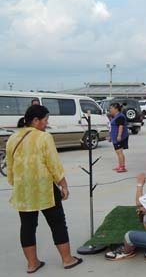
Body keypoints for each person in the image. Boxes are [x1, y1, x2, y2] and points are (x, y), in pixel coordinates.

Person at [6, 105, 82, 273]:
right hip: (44, 187)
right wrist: (63, 184)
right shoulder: (44, 137)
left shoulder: (13, 138)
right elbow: (53, 164)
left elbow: (9, 167)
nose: (47, 124)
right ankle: (67, 260)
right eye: (45, 120)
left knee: (27, 226)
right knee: (57, 223)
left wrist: (16, 183)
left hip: (23, 189)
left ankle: (32, 264)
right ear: (35, 120)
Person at [109, 102, 129, 173]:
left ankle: (122, 167)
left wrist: (119, 136)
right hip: (115, 137)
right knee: (118, 152)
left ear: (116, 109)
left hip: (119, 137)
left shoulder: (120, 116)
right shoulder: (116, 116)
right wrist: (111, 137)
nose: (110, 110)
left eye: (111, 108)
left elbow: (121, 126)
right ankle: (120, 165)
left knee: (119, 152)